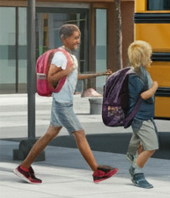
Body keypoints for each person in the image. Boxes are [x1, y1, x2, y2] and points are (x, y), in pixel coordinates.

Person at [12, 24, 117, 184]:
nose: (78, 41)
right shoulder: (60, 56)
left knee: (49, 135)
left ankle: (24, 168)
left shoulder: (70, 57)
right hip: (62, 104)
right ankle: (97, 171)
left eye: (79, 37)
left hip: (62, 102)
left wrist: (98, 74)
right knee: (79, 134)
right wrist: (67, 71)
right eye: (75, 37)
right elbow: (51, 78)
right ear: (64, 38)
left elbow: (73, 76)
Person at [125, 40, 159, 189]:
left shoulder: (141, 71)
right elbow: (144, 95)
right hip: (140, 116)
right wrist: (155, 86)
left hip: (144, 115)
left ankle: (131, 154)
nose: (150, 55)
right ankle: (136, 171)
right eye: (148, 53)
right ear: (143, 56)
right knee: (151, 146)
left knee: (140, 141)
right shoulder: (135, 75)